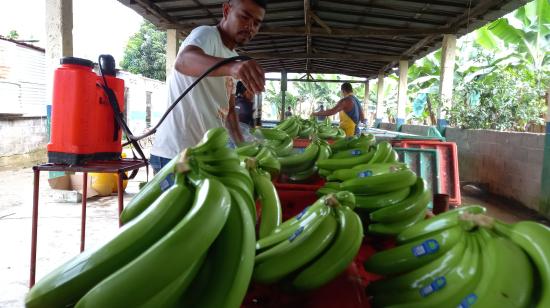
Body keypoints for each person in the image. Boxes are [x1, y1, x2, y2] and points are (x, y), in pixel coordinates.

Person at [149, 0, 267, 173]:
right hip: (176, 154)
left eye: (256, 23)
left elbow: (229, 111)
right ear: (227, 10)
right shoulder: (206, 35)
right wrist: (232, 67)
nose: (250, 27)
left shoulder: (233, 56)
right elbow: (183, 61)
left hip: (205, 156)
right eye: (244, 17)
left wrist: (244, 147)